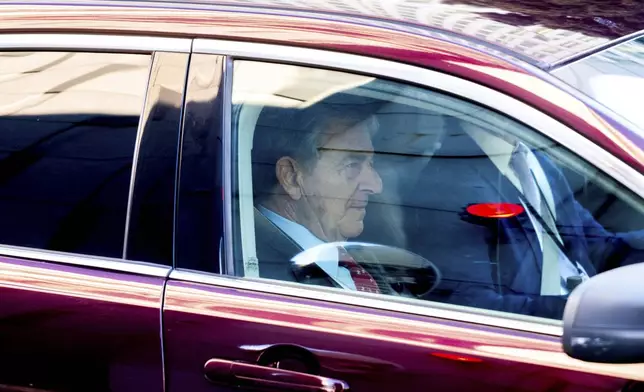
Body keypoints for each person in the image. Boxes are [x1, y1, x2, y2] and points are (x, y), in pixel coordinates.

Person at [414, 119, 644, 319]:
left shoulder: (533, 157)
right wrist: (584, 309)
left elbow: (595, 246)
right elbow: (472, 306)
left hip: (579, 305)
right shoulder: (449, 184)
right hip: (541, 335)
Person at [250, 101, 402, 294]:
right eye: (351, 165)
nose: (376, 185)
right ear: (292, 177)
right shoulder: (259, 275)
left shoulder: (355, 255)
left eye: (370, 164)